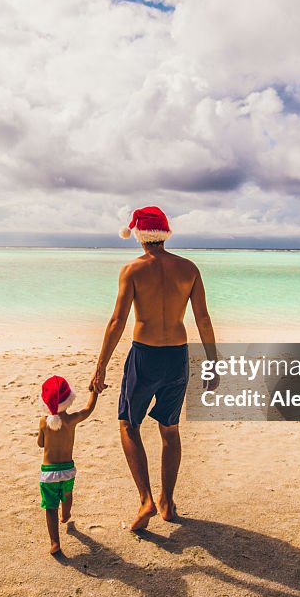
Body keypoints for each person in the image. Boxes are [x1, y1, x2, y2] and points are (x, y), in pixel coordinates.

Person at [90, 205, 219, 531]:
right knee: (169, 429)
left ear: (138, 234)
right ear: (164, 234)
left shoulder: (133, 270)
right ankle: (166, 501)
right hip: (176, 356)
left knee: (128, 424)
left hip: (145, 356)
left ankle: (146, 498)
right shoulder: (189, 269)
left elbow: (118, 321)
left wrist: (100, 366)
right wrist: (213, 364)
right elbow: (203, 319)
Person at [37, 374, 100, 555]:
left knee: (50, 507)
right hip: (68, 470)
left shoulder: (43, 422)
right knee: (67, 493)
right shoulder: (71, 420)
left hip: (49, 472)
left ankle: (55, 542)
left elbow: (41, 444)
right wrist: (94, 392)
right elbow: (88, 409)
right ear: (68, 400)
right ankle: (66, 514)